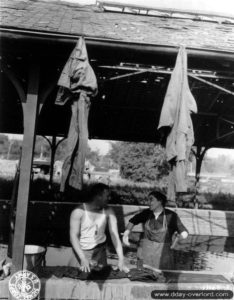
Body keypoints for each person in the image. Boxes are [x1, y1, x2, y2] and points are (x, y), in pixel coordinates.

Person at [69, 183, 129, 272]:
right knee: (79, 280)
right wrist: (82, 257)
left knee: (101, 277)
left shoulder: (109, 211)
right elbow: (73, 237)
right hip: (81, 250)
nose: (109, 198)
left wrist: (121, 258)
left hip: (100, 251)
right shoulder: (78, 211)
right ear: (98, 196)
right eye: (107, 196)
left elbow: (114, 235)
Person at [122, 191, 188, 270]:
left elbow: (183, 231)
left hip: (163, 255)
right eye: (148, 200)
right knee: (141, 275)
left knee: (162, 277)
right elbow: (132, 221)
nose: (148, 202)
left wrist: (181, 236)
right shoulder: (146, 213)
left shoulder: (171, 215)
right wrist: (126, 233)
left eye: (151, 200)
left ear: (160, 201)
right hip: (144, 252)